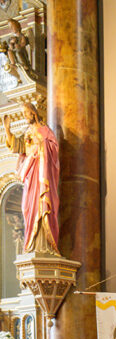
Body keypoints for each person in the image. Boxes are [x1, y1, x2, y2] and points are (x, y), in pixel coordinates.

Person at [2, 102, 59, 253]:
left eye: (26, 114)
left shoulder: (45, 130)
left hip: (42, 174)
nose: (25, 117)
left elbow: (54, 148)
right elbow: (16, 146)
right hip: (30, 177)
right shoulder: (27, 132)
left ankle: (45, 245)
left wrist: (41, 148)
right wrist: (7, 130)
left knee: (43, 206)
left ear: (33, 113)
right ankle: (31, 244)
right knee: (27, 207)